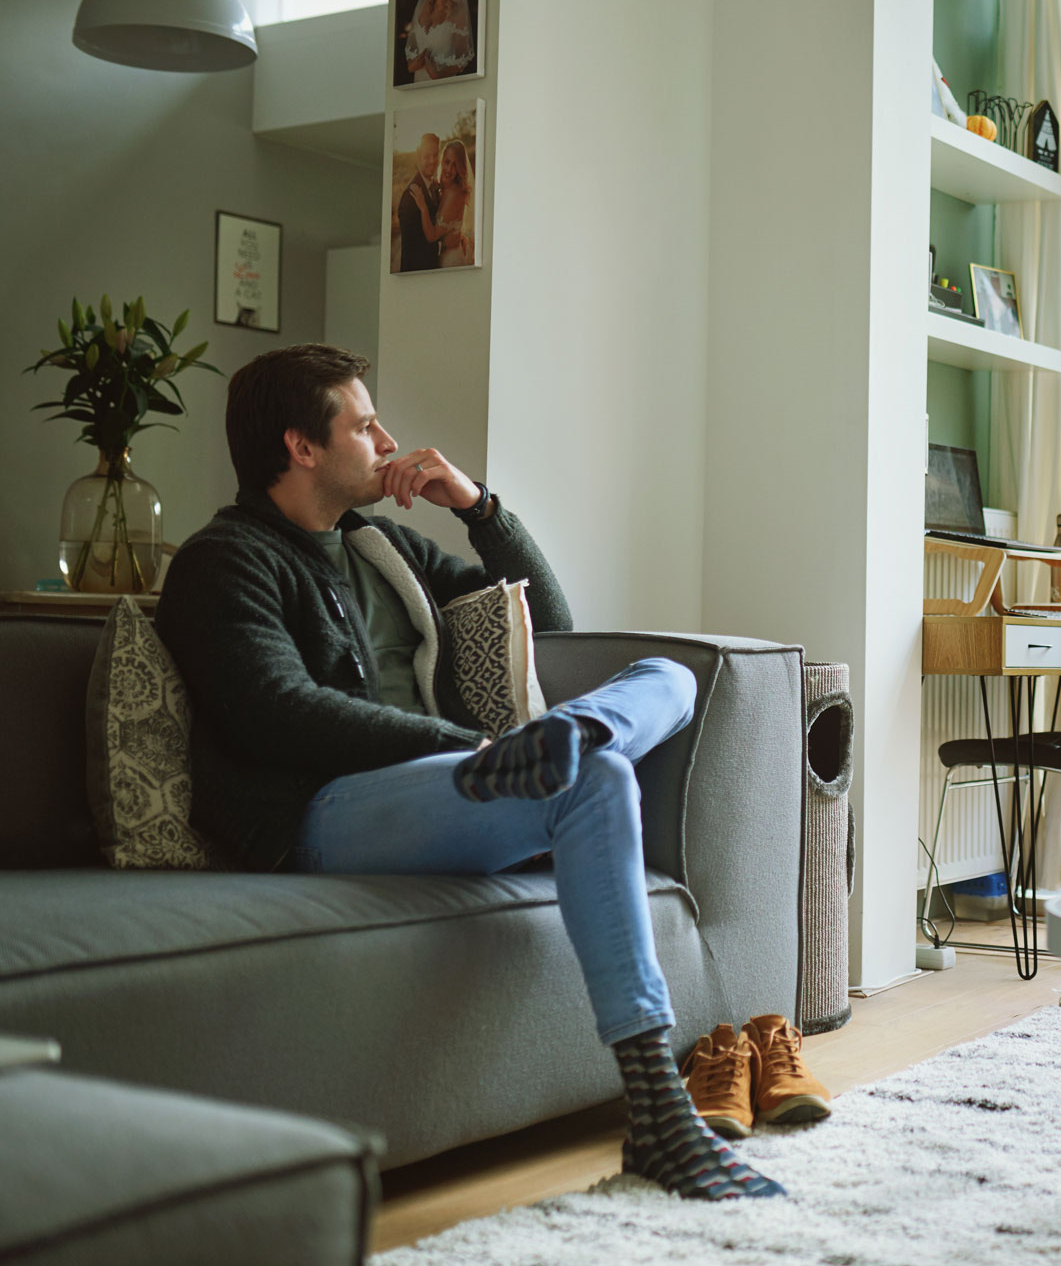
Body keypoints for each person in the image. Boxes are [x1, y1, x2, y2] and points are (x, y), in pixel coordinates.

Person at [154, 344, 792, 1202]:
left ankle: (569, 740)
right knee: (592, 774)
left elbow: (550, 631)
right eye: (362, 423)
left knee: (668, 682)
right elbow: (280, 709)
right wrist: (473, 749)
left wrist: (479, 508)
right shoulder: (226, 559)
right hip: (326, 811)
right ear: (302, 447)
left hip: (462, 780)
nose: (386, 437)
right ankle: (660, 1115)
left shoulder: (381, 548)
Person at [410, 138, 474, 268]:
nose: (449, 169)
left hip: (451, 261)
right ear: (442, 161)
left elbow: (432, 236)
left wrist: (423, 208)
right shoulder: (445, 188)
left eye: (455, 165)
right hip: (444, 257)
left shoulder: (454, 194)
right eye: (447, 162)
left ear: (461, 167)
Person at [402, 0, 474, 83]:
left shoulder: (458, 13)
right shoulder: (422, 7)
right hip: (418, 84)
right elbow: (411, 56)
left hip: (443, 86)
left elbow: (462, 59)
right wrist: (414, 64)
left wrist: (438, 75)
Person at [395, 134, 444, 273]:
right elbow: (411, 250)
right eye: (427, 156)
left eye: (435, 155)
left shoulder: (434, 186)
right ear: (418, 157)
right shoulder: (410, 197)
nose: (432, 161)